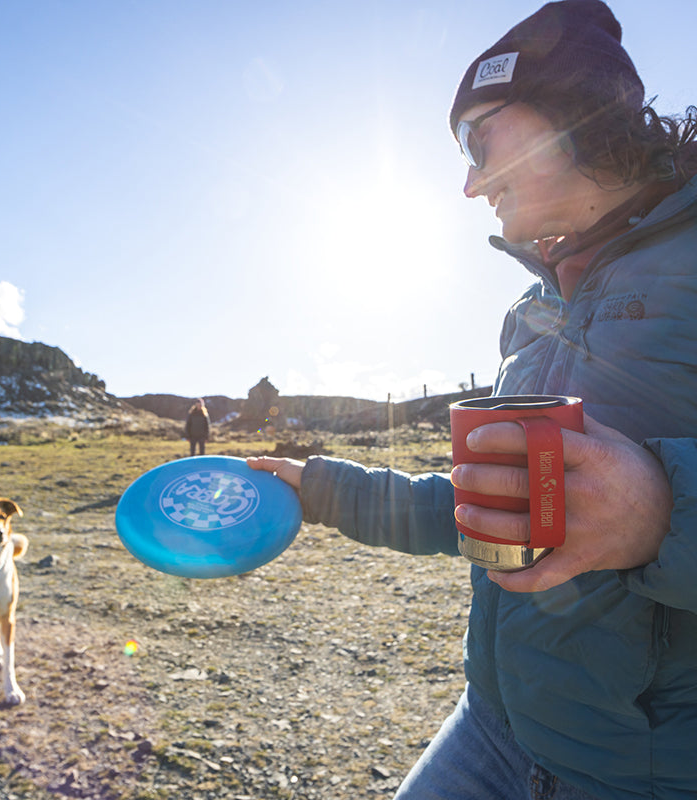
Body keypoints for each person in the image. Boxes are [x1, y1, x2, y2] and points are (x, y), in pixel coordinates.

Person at [249, 2, 697, 798]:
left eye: (477, 138)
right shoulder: (535, 314)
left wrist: (665, 512)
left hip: (641, 773)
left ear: (574, 115)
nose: (467, 183)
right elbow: (486, 506)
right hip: (493, 729)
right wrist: (318, 487)